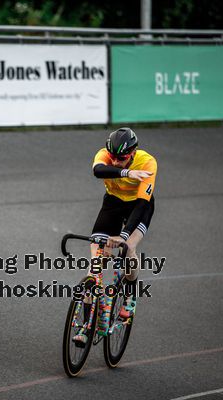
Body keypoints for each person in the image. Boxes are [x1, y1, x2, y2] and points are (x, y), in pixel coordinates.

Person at [74, 128, 156, 344]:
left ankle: (130, 292)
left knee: (128, 247)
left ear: (133, 152)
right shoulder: (105, 155)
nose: (117, 161)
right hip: (113, 203)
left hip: (138, 206)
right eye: (114, 157)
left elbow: (141, 204)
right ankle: (86, 325)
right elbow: (98, 170)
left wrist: (124, 235)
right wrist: (127, 173)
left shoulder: (148, 163)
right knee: (95, 265)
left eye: (122, 158)